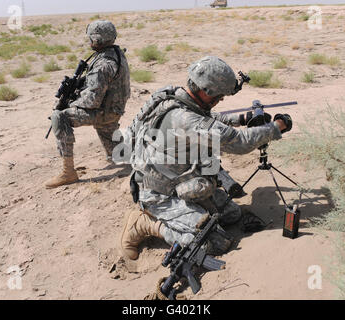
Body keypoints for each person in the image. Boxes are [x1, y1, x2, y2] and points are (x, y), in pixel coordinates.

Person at [121, 56, 292, 260]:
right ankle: (145, 224)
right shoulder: (184, 119)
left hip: (180, 181)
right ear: (206, 91)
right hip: (159, 195)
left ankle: (188, 213)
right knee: (215, 243)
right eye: (219, 96)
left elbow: (207, 118)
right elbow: (239, 142)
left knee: (232, 214)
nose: (220, 100)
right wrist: (277, 126)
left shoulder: (174, 96)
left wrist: (242, 118)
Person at [45, 20, 131, 189]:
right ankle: (123, 155)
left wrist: (70, 103)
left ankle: (68, 172)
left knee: (59, 117)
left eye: (91, 38)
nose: (89, 41)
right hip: (114, 108)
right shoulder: (116, 53)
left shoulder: (102, 65)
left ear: (97, 40)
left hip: (104, 111)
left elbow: (92, 101)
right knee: (116, 152)